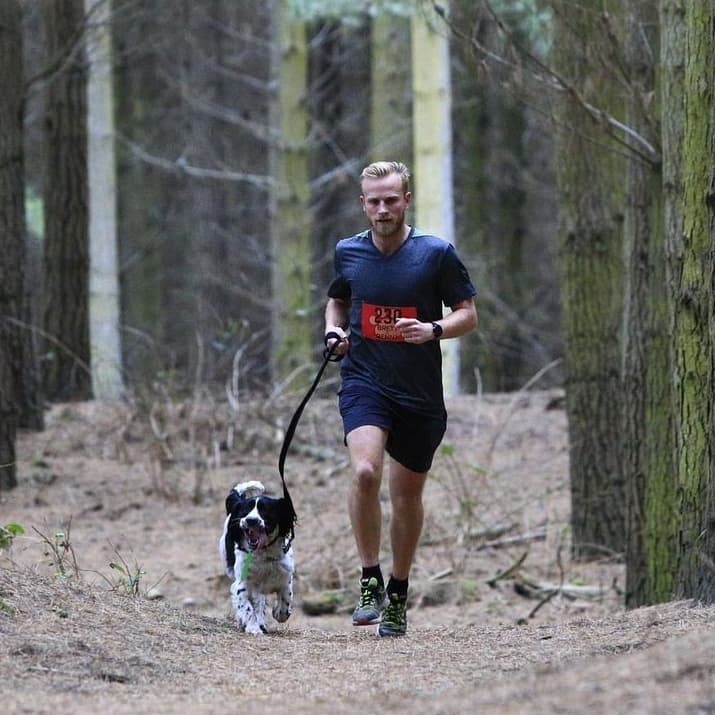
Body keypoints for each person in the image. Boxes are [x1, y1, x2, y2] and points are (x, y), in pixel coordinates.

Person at [324, 161, 478, 637]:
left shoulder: (435, 254)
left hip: (418, 393)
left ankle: (397, 591)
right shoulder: (348, 252)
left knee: (406, 497)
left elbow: (468, 314)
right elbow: (339, 300)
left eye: (391, 199)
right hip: (365, 381)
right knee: (365, 472)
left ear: (406, 200)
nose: (383, 208)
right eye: (374, 201)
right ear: (363, 204)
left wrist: (432, 329)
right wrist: (333, 331)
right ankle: (369, 578)